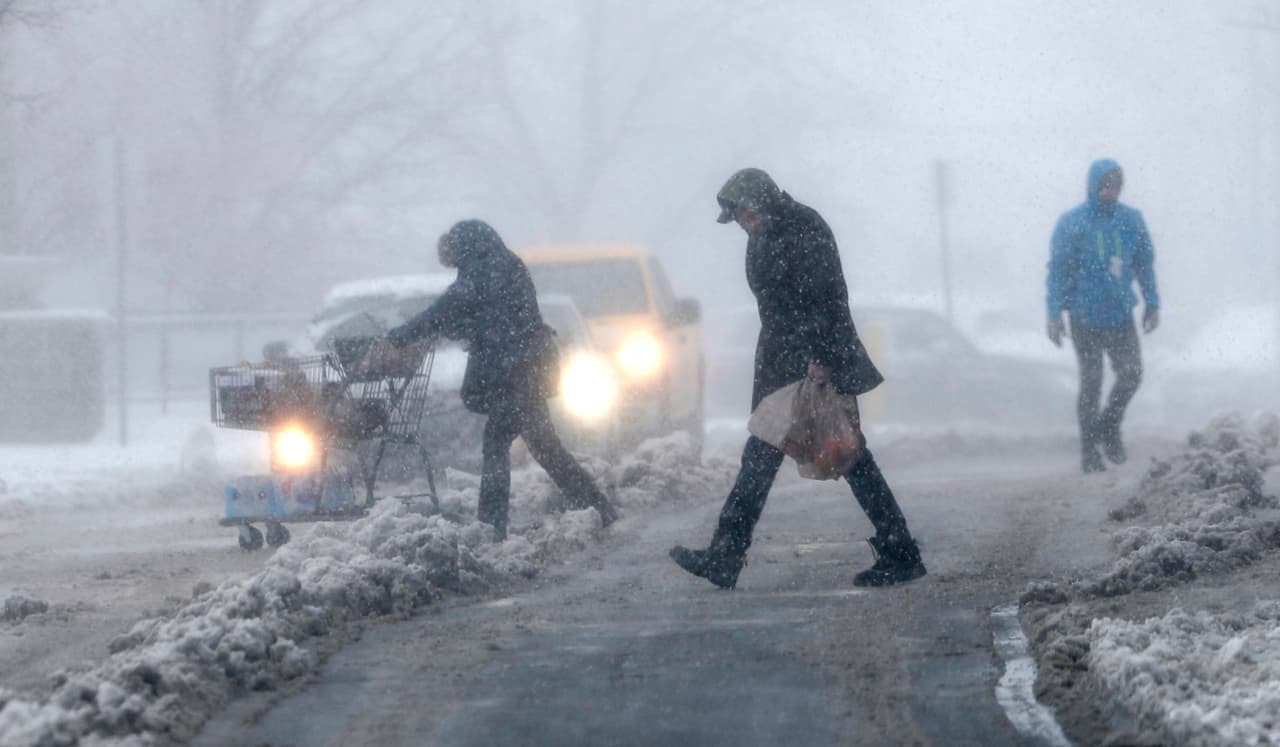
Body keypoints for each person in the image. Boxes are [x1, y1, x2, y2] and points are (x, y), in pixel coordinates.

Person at [669, 168, 926, 589]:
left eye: (745, 213)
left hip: (811, 363)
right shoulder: (765, 234)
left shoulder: (805, 227)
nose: (743, 224)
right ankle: (726, 553)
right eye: (737, 219)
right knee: (764, 457)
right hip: (783, 362)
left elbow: (826, 297)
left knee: (848, 455)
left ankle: (900, 551)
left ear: (762, 200)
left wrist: (822, 358)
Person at [385, 220, 617, 540]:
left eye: (453, 258)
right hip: (526, 370)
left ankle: (493, 526)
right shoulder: (504, 263)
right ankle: (596, 506)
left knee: (498, 446)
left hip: (512, 374)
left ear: (462, 247)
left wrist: (399, 336)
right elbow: (489, 316)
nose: (455, 265)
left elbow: (445, 309)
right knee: (544, 447)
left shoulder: (483, 270)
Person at [1046, 158, 1160, 474]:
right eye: (1106, 185)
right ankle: (1089, 452)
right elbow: (1057, 269)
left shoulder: (1131, 220)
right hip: (1084, 316)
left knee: (1132, 373)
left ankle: (1109, 426)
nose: (1111, 191)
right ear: (1094, 185)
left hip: (1121, 313)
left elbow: (1144, 263)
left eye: (1117, 185)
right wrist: (1054, 311)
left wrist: (1152, 301)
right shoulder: (1073, 223)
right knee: (1091, 382)